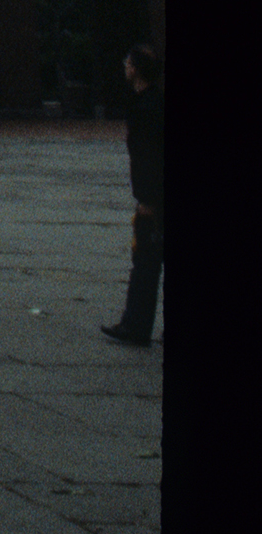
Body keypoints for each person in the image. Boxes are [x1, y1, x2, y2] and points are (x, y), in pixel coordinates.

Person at [103, 41, 164, 346]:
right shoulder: (159, 103)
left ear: (136, 70)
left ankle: (136, 326)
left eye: (128, 63)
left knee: (146, 263)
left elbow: (148, 159)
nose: (124, 67)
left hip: (155, 200)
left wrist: (148, 201)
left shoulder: (144, 110)